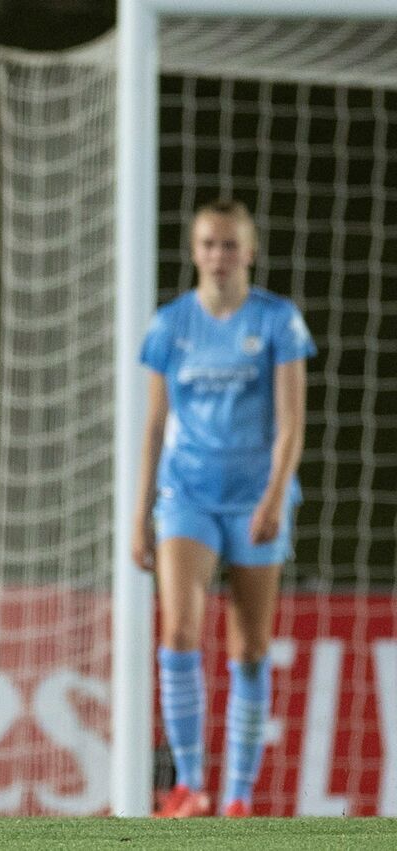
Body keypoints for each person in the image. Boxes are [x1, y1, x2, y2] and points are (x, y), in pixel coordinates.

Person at [132, 200, 316, 817]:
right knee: (179, 631)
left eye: (230, 244)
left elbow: (292, 422)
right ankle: (190, 784)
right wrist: (139, 514)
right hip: (186, 495)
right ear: (194, 251)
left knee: (251, 649)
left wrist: (274, 497)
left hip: (255, 500)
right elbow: (154, 425)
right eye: (209, 243)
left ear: (250, 252)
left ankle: (238, 796)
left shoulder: (278, 320)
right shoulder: (170, 324)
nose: (219, 255)